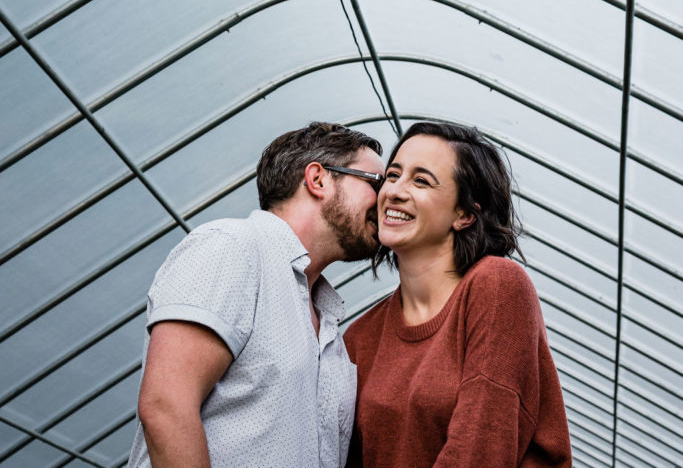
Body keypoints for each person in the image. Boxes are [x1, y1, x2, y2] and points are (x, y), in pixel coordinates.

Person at [127, 121, 384, 468]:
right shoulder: (232, 247)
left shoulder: (327, 323)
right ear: (318, 179)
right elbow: (166, 406)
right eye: (376, 183)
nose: (387, 198)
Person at [344, 121, 572, 468]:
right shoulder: (359, 338)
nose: (395, 191)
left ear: (464, 214)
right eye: (392, 175)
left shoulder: (496, 287)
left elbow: (480, 450)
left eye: (421, 181)